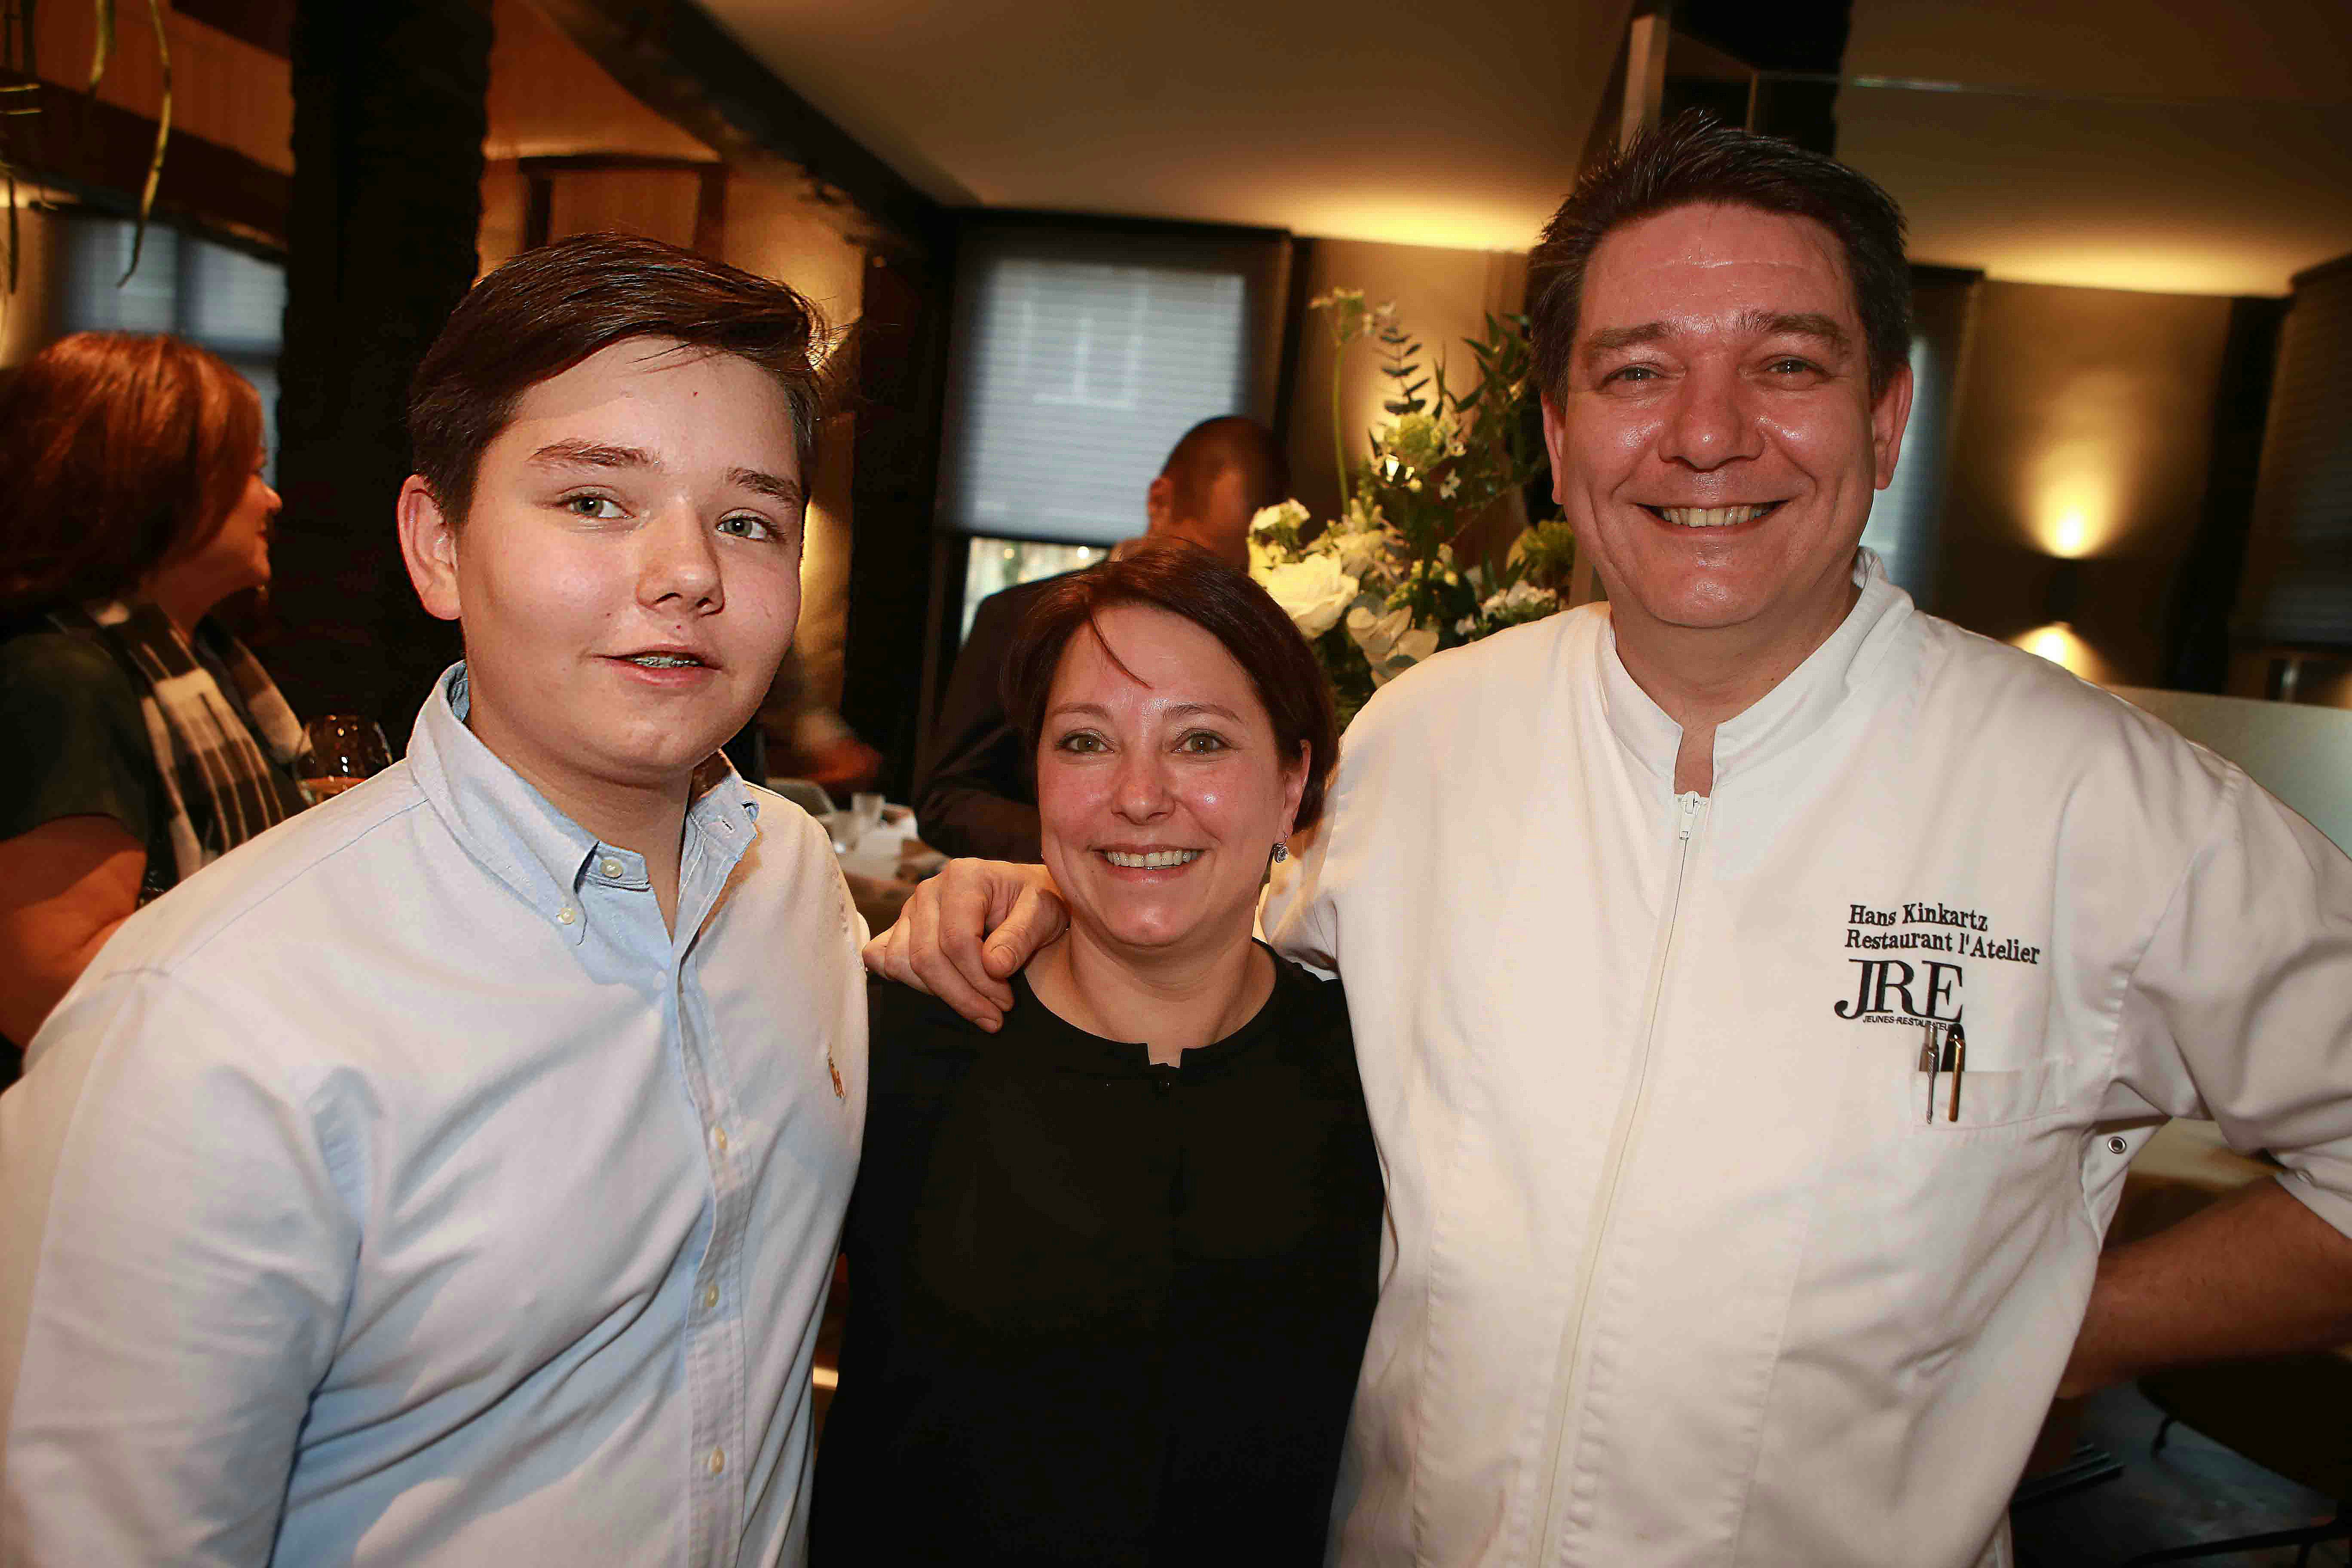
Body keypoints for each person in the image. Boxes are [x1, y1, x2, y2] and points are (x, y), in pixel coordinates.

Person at [863, 116, 2352, 1567]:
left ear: (1886, 415)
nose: (1707, 434)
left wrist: (2053, 1329)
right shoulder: (1430, 738)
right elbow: (1239, 979)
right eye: (1638, 372)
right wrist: (1036, 899)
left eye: (1784, 363)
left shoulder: (2099, 801)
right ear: (1563, 440)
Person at [0, 234, 864, 1565]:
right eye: (594, 501)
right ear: (440, 544)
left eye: (748, 519)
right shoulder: (202, 1026)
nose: (688, 571)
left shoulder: (797, 891)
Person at [814, 542, 1379, 1565]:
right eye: (1084, 743)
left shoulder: (1370, 1076)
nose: (1137, 795)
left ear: (1293, 782)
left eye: (1199, 742)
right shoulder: (897, 1037)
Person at [0, 333, 308, 1065]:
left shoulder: (202, 660)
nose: (272, 498)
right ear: (158, 483)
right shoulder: (63, 676)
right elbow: (45, 987)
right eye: (250, 471)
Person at [914, 414, 1288, 861]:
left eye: (1232, 577)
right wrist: (1091, 847)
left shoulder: (1260, 646)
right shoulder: (1017, 619)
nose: (1206, 588)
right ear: (1159, 501)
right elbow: (948, 798)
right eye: (1201, 555)